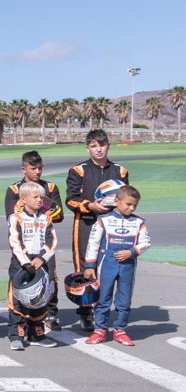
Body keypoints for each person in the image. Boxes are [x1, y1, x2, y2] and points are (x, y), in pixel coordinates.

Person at [66, 129, 130, 332]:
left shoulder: (120, 171)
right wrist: (90, 206)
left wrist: (118, 206)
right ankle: (85, 313)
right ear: (88, 148)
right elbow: (70, 199)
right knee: (86, 267)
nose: (98, 149)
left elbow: (127, 198)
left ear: (108, 146)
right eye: (93, 146)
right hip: (86, 224)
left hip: (113, 225)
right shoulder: (79, 170)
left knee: (109, 267)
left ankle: (103, 311)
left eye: (101, 145)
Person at [4, 150, 65, 330]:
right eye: (33, 168)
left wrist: (41, 205)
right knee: (23, 279)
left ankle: (51, 314)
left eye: (40, 168)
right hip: (24, 242)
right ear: (24, 169)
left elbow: (58, 214)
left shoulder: (51, 187)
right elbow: (12, 215)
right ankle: (20, 321)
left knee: (51, 277)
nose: (37, 172)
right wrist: (46, 206)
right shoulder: (14, 189)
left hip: (43, 240)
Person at [83, 185, 150, 347]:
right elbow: (93, 243)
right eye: (128, 204)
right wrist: (90, 266)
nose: (131, 208)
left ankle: (120, 330)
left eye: (134, 205)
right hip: (106, 264)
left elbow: (145, 242)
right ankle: (100, 330)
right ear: (117, 201)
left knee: (124, 299)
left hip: (128, 265)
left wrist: (132, 252)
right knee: (103, 297)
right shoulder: (103, 220)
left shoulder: (139, 222)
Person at [6, 182, 59, 351]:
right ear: (23, 199)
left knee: (40, 297)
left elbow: (52, 240)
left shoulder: (46, 217)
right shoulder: (16, 217)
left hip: (40, 260)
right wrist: (26, 262)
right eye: (35, 197)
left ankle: (37, 333)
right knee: (18, 298)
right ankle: (16, 334)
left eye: (41, 197)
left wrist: (42, 258)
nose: (39, 200)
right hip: (21, 263)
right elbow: (15, 242)